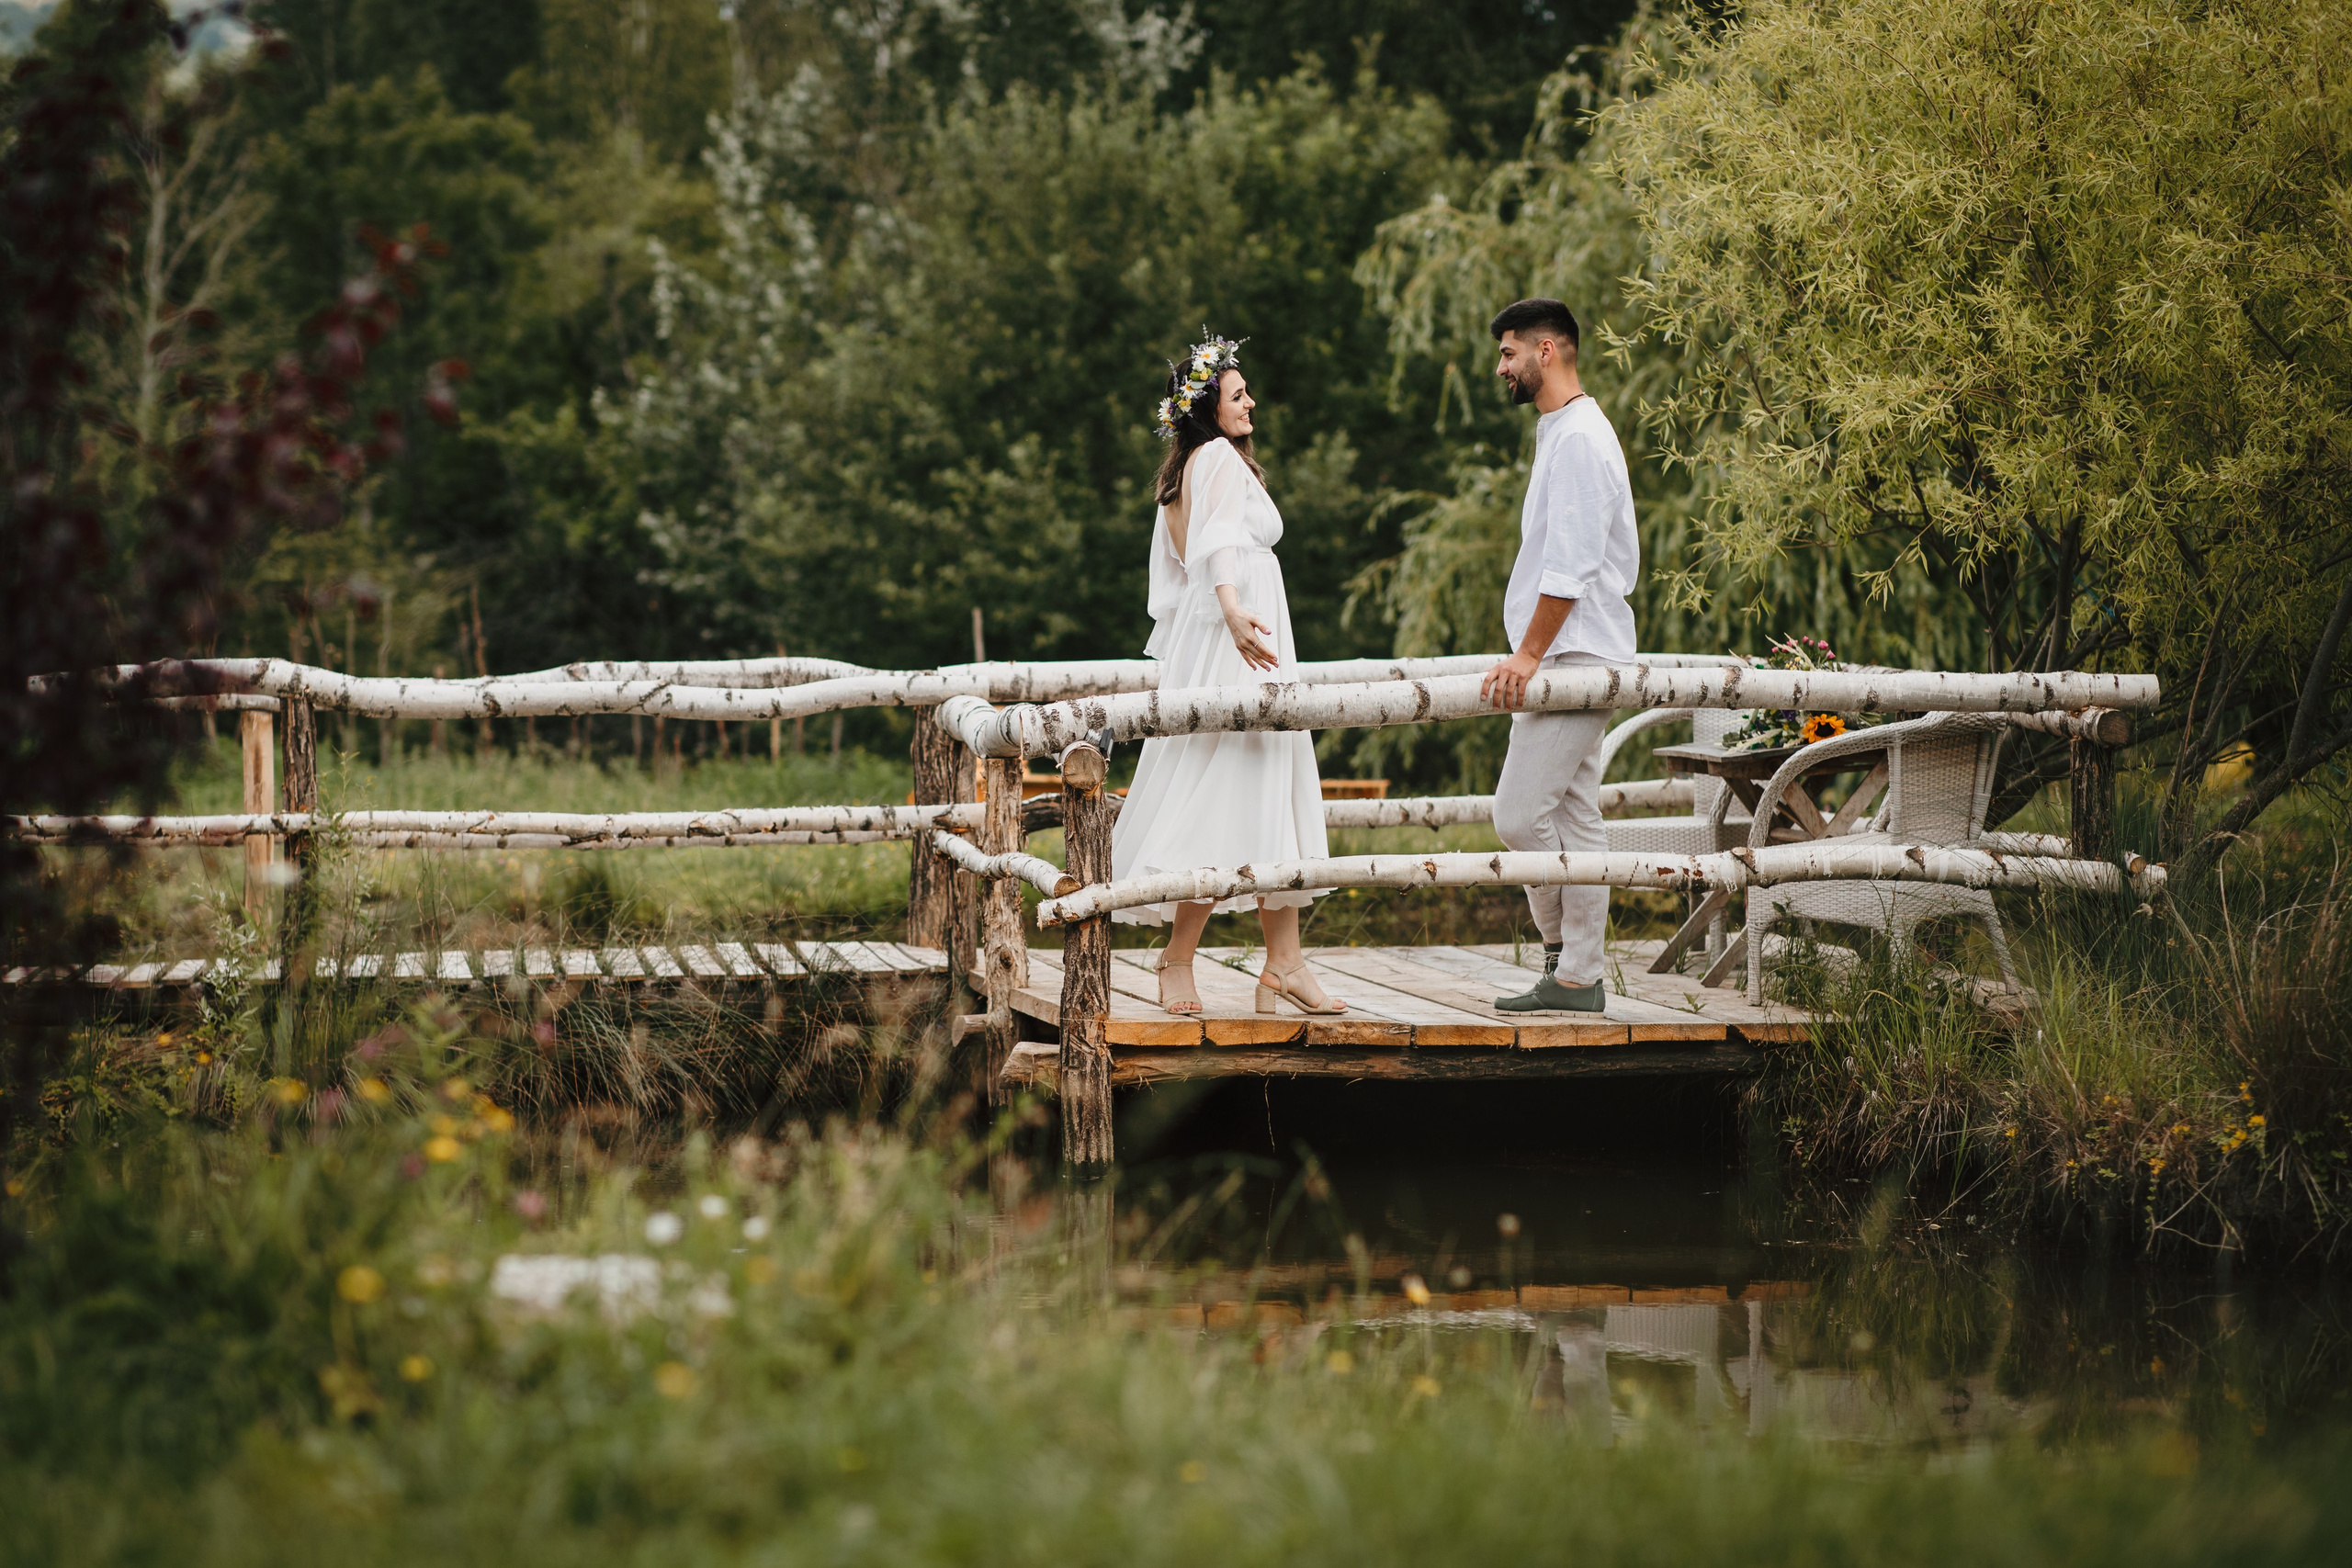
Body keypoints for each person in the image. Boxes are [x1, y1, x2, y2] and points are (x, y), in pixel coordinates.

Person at [1109, 333, 1347, 1019]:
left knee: (1266, 784)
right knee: (1221, 790)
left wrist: (1226, 611)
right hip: (1237, 641)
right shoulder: (1215, 458)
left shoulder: (1189, 470)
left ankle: (1285, 962)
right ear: (1209, 409)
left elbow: (1171, 584)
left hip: (1234, 637)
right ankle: (1178, 955)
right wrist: (1234, 608)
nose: (1252, 403)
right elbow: (1213, 547)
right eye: (1239, 395)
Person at [1477, 299, 1641, 1012]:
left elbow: (1569, 566)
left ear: (1548, 351)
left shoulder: (1578, 437)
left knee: (1517, 814)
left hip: (1574, 657)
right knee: (1575, 817)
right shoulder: (1562, 431)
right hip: (1573, 655)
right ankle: (1576, 976)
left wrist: (1527, 655)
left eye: (1509, 352)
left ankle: (1564, 959)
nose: (1501, 367)